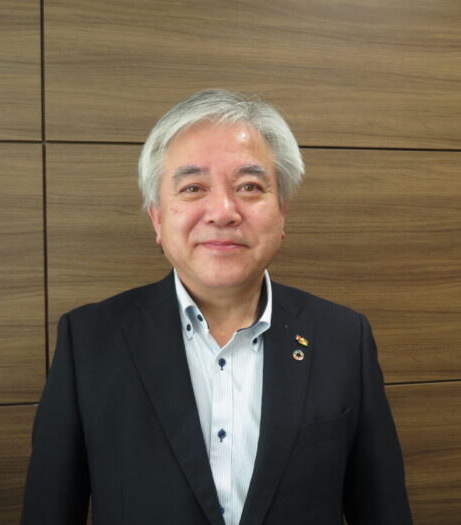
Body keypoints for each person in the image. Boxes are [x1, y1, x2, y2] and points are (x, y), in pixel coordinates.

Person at [22, 89, 412, 524]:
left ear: (282, 210)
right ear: (157, 217)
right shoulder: (89, 341)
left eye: (249, 187)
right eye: (193, 188)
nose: (223, 211)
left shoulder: (343, 338)